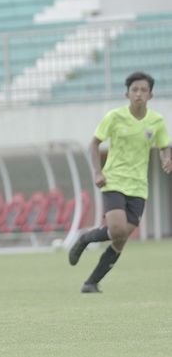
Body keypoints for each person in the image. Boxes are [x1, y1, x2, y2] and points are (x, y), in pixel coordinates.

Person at [68, 71, 171, 293]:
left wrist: (166, 159)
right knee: (117, 229)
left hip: (139, 187)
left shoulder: (157, 121)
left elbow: (164, 146)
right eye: (135, 90)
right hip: (113, 180)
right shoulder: (114, 117)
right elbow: (94, 144)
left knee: (121, 238)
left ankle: (91, 283)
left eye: (144, 90)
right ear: (127, 93)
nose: (139, 94)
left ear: (150, 95)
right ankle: (85, 239)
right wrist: (97, 172)